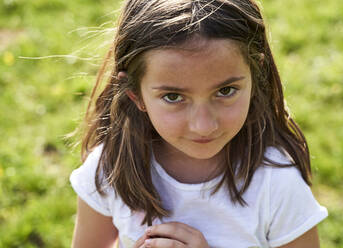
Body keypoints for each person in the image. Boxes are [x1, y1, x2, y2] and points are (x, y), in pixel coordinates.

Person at [69, 0, 328, 247]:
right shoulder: (109, 168)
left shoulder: (276, 184)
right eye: (173, 97)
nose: (204, 126)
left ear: (255, 74)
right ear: (136, 95)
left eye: (225, 91)